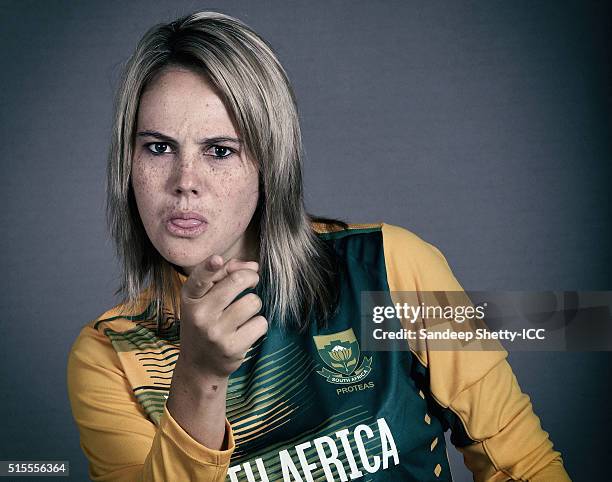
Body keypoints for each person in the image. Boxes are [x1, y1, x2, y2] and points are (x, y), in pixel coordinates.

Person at [67, 11, 572, 482]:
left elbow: (522, 464)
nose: (184, 181)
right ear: (126, 165)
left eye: (220, 151)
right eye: (158, 147)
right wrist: (198, 377)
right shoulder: (110, 356)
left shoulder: (392, 268)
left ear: (271, 164)